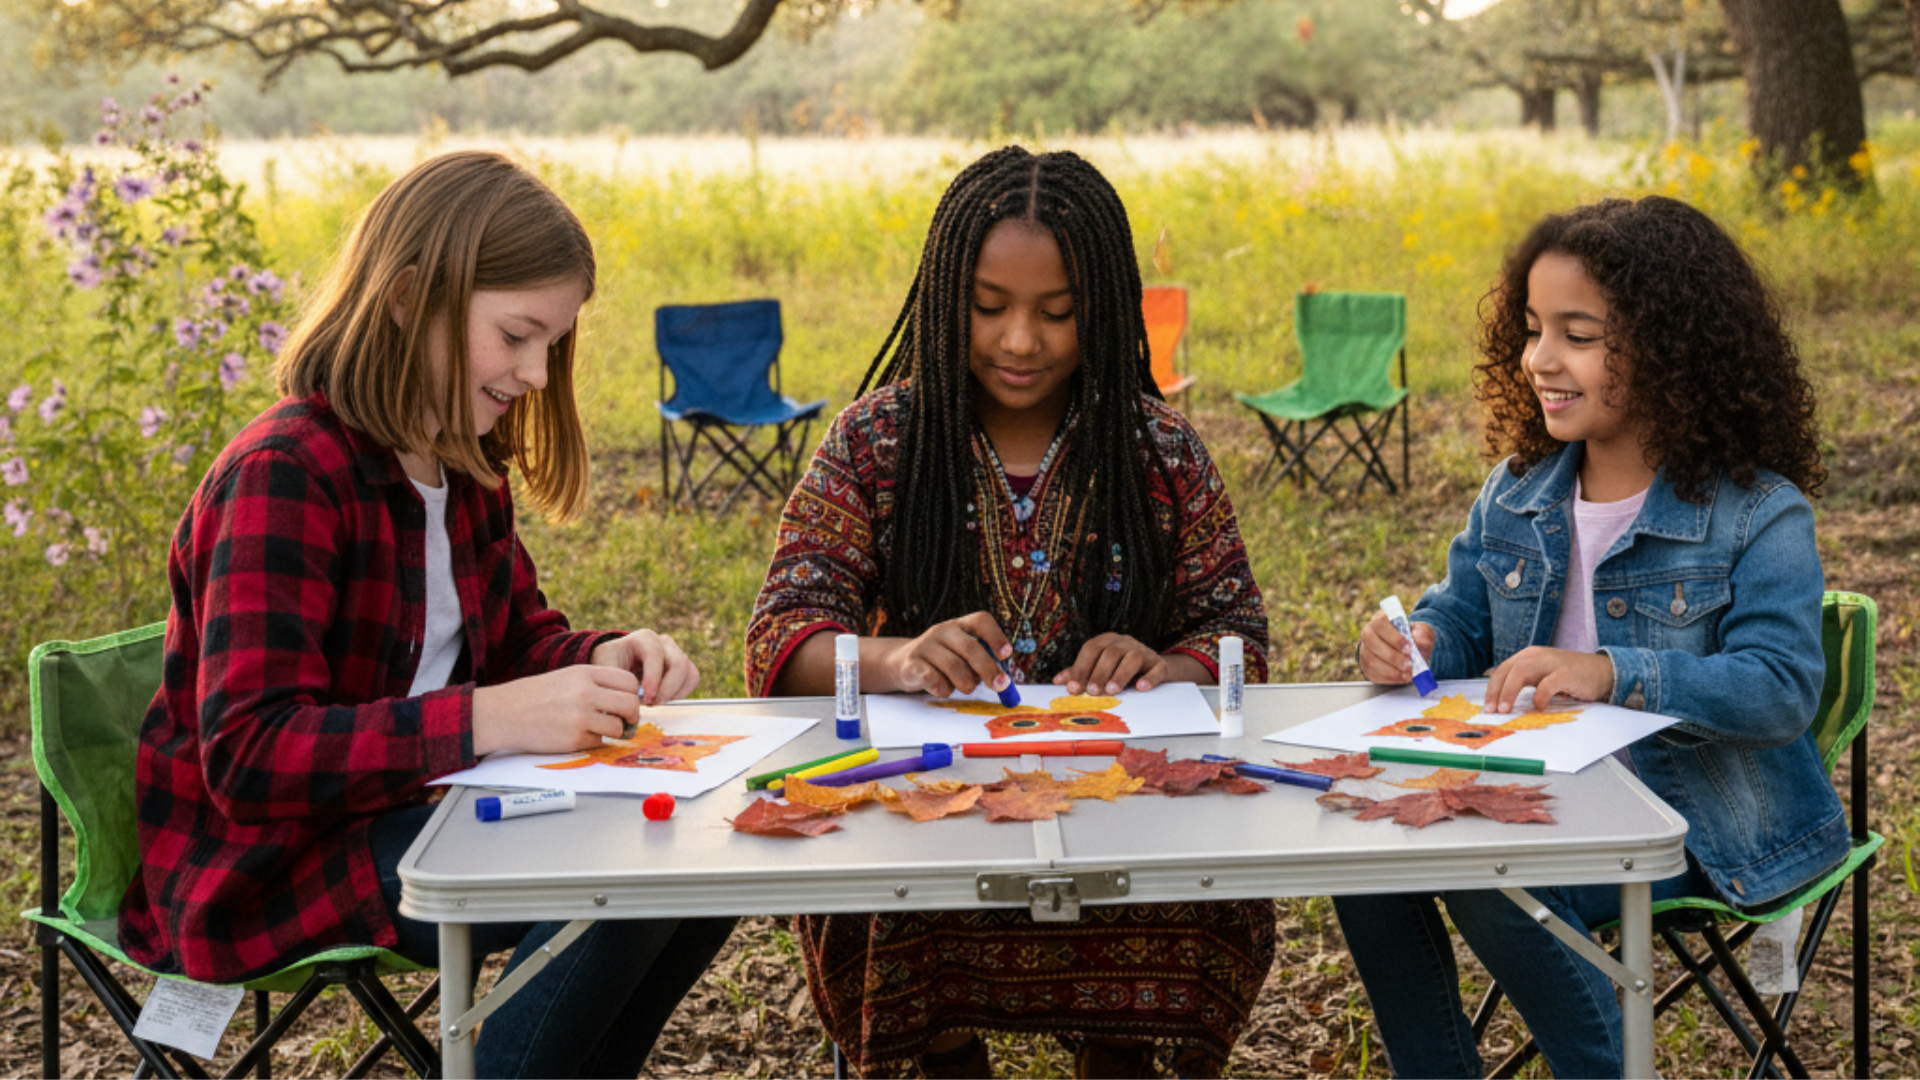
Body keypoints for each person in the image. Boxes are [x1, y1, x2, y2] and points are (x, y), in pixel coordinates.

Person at [120, 151, 734, 1078]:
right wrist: (487, 719)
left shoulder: (463, 466)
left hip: (416, 812)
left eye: (552, 345)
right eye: (517, 335)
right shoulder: (285, 474)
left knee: (699, 854)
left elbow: (517, 642)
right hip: (272, 865)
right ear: (410, 297)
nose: (534, 372)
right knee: (619, 872)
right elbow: (249, 756)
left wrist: (609, 656)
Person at [745, 146, 1274, 1079]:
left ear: (1103, 310)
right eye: (989, 308)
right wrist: (897, 660)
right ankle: (945, 1054)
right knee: (880, 907)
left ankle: (1121, 1053)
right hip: (927, 805)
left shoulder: (1160, 450)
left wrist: (1167, 666)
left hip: (1121, 809)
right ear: (946, 295)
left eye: (1058, 312)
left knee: (1195, 893)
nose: (1021, 340)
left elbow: (1234, 631)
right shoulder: (876, 442)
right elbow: (782, 632)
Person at [1338, 195, 1850, 1079]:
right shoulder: (1519, 489)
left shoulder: (1758, 512)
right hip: (1542, 795)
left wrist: (1613, 671)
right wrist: (1414, 640)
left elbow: (1778, 688)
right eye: (1533, 328)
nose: (1540, 358)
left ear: (1672, 348)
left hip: (1700, 825)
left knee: (1493, 870)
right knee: (1365, 859)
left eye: (1578, 333)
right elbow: (1458, 616)